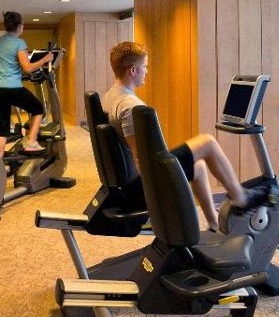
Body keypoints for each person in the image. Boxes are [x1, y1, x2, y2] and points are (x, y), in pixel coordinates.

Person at [102, 41, 265, 232]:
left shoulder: (110, 96)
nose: (146, 71)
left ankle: (214, 224)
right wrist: (157, 197)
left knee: (198, 166)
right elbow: (141, 158)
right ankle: (241, 199)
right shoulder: (130, 106)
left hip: (130, 181)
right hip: (143, 185)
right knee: (208, 142)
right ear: (132, 70)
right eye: (144, 67)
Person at [0, 11, 54, 158]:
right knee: (38, 108)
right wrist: (46, 59)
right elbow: (27, 68)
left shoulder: (0, 41)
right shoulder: (19, 43)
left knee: (3, 127)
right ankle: (31, 141)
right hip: (11, 88)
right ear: (19, 26)